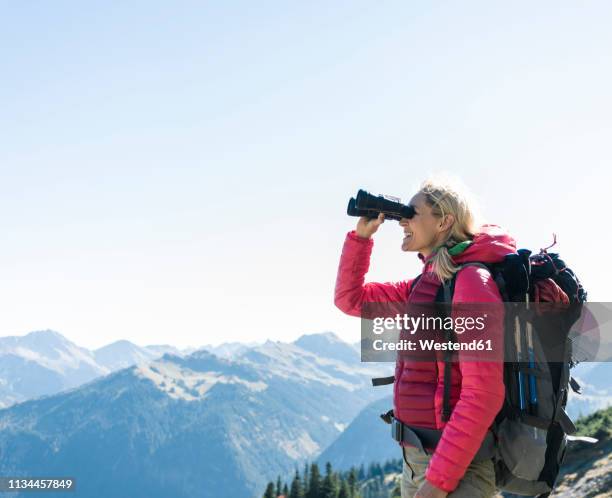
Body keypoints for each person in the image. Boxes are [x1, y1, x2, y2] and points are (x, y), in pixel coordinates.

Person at [334, 178, 516, 498]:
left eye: (412, 213)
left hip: (457, 470)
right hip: (417, 463)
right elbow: (350, 300)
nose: (402, 221)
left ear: (444, 221)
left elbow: (483, 393)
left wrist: (438, 483)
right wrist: (361, 238)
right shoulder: (424, 285)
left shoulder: (471, 283)